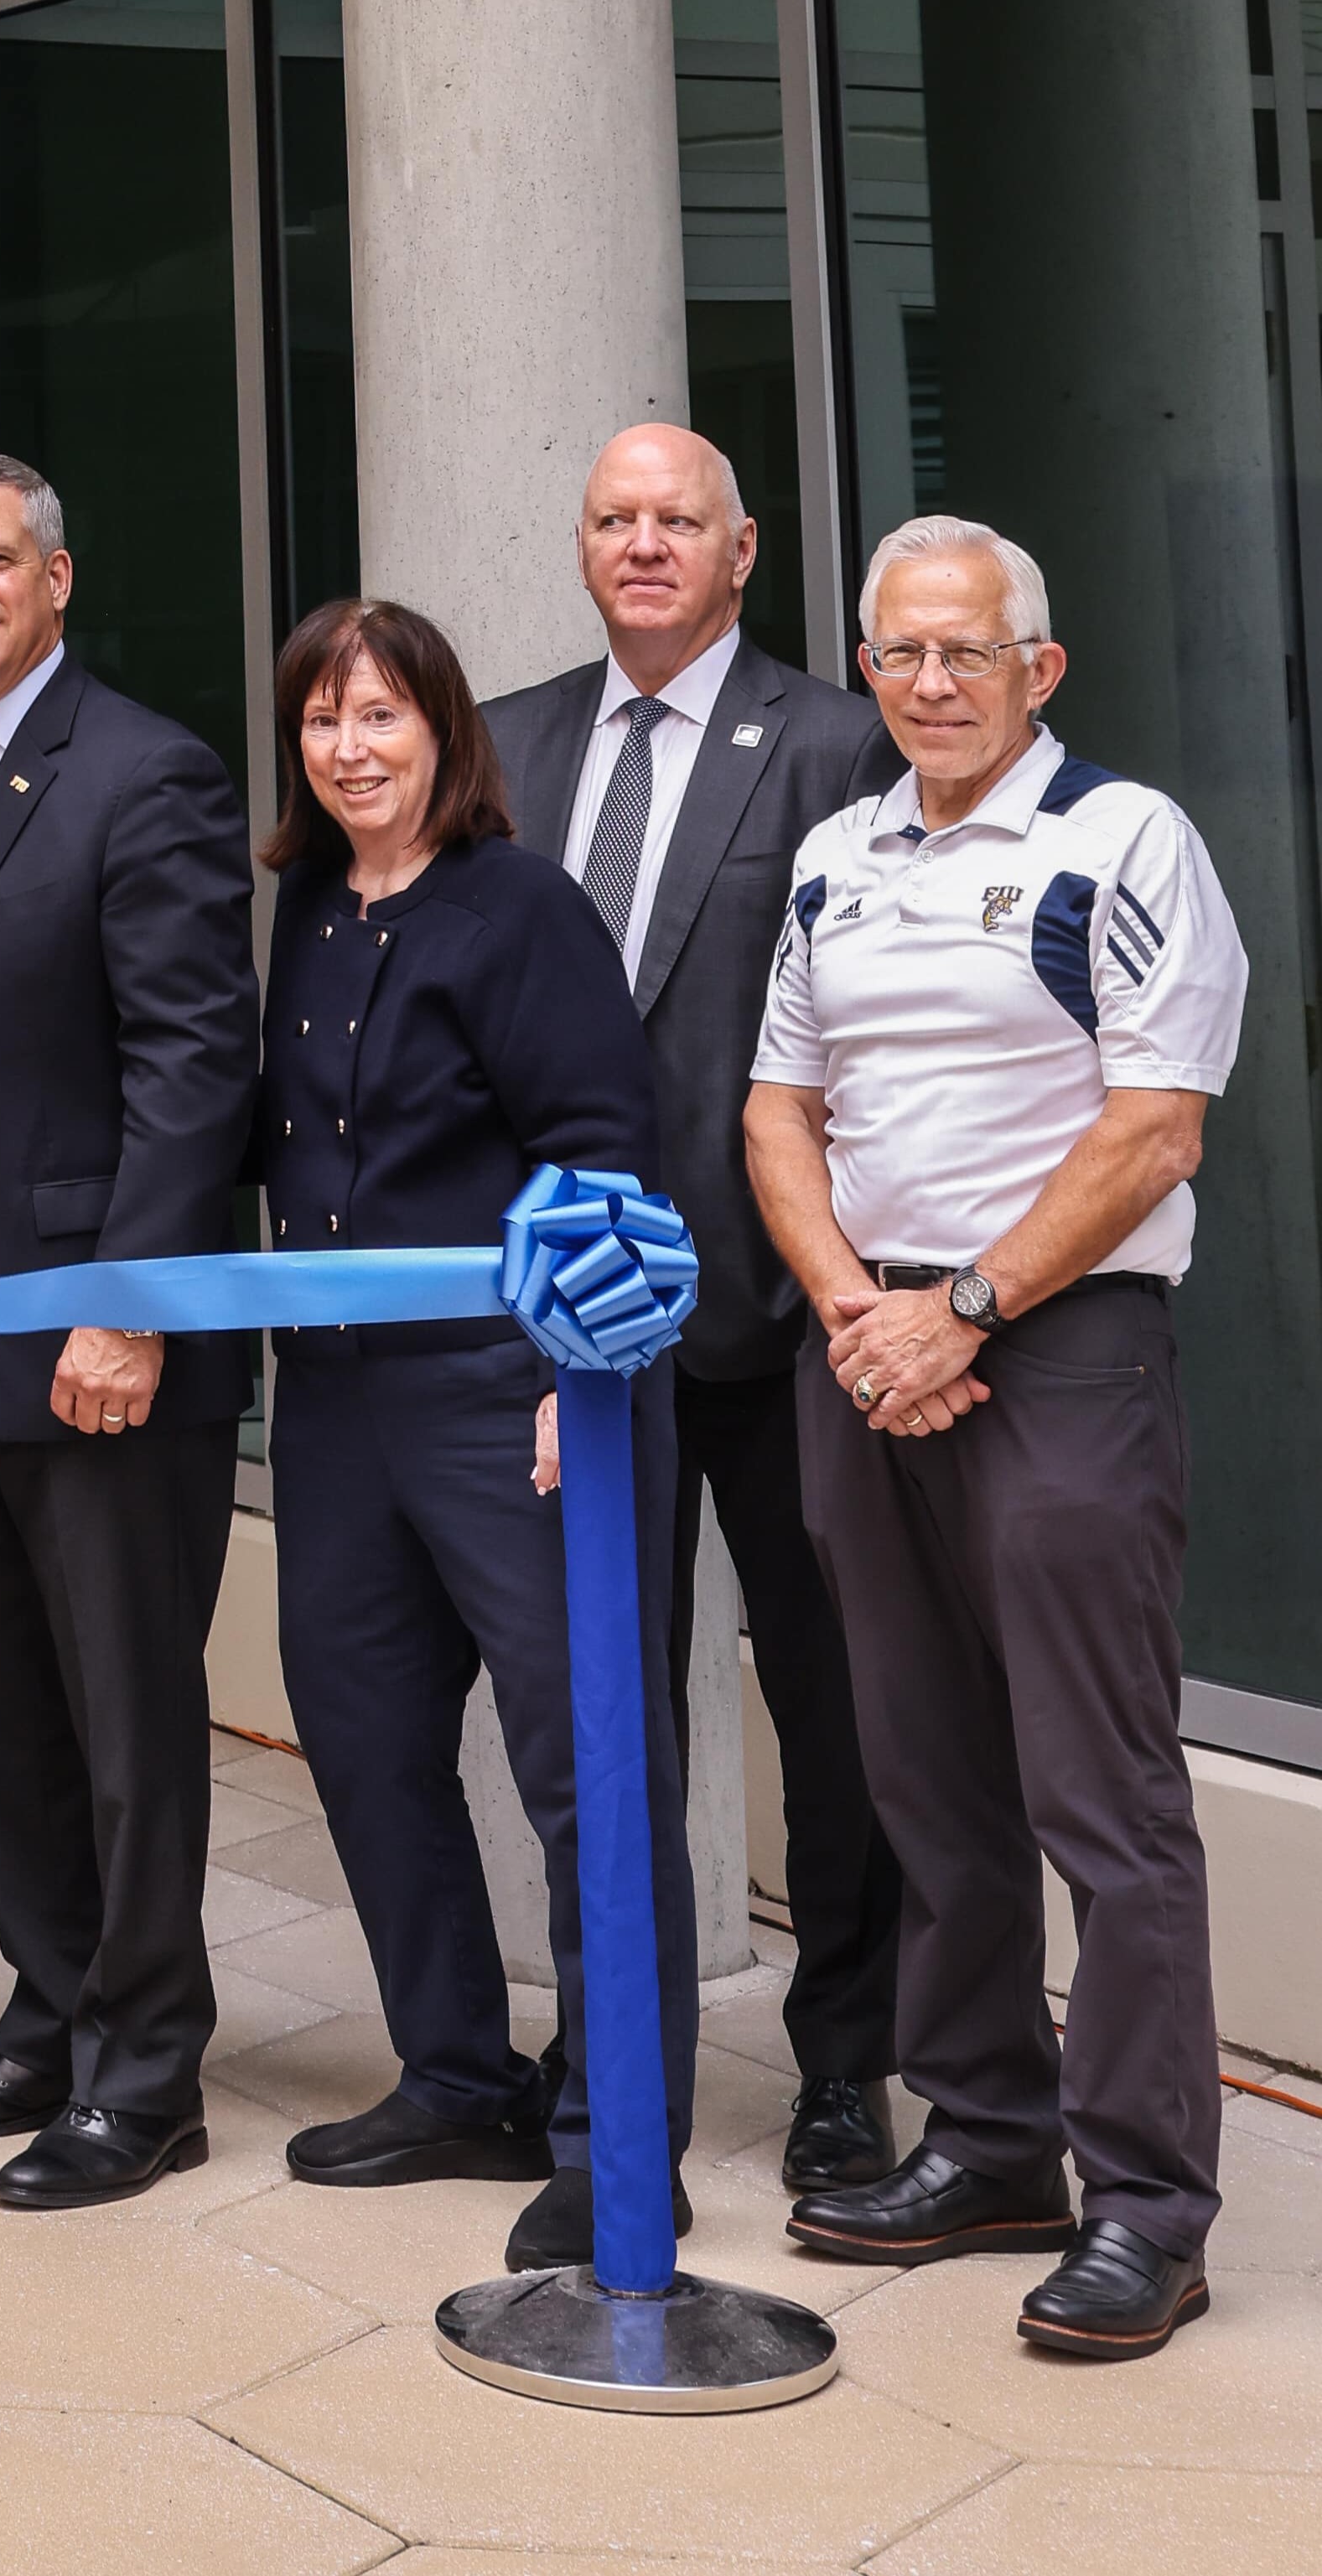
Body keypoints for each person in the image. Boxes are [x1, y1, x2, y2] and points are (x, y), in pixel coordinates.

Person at [757, 517, 1248, 2362]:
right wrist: (855, 1319)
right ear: (866, 671)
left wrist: (958, 1310)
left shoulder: (1122, 840)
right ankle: (984, 2141)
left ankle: (1141, 2204)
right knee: (925, 1778)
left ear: (1037, 670)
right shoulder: (833, 853)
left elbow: (1151, 1128)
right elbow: (770, 1110)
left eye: (967, 653)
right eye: (898, 655)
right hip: (865, 1350)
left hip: (1056, 1357)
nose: (931, 684)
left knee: (1098, 1801)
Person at [483, 424, 915, 2195]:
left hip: (785, 1322)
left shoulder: (832, 740)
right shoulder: (505, 744)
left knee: (833, 1712)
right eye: (612, 519)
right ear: (578, 547)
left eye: (676, 521)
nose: (642, 544)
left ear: (740, 552)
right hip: (583, 1336)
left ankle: (841, 2074)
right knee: (604, 1714)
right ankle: (607, 2047)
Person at [251, 597, 698, 2277]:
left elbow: (600, 1145)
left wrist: (559, 1386)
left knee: (582, 1769)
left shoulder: (518, 907)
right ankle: (453, 2074)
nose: (347, 747)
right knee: (360, 1736)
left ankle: (617, 2140)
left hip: (512, 1386)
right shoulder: (305, 902)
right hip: (335, 1391)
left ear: (440, 728)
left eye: (376, 715)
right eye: (317, 720)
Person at [0, 456, 260, 2211]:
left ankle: (145, 2066)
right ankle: (49, 2008)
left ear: (57, 578)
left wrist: (125, 1304)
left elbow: (190, 1069)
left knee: (124, 1714)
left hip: (98, 1342)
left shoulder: (144, 771)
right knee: (0, 1706)